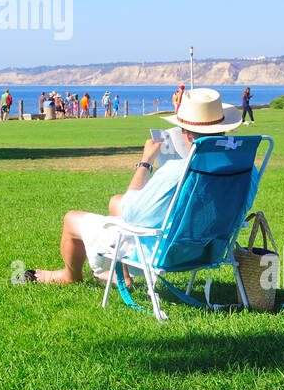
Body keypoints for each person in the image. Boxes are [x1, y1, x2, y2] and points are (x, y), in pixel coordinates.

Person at [29, 89, 243, 284]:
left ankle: (70, 276)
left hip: (162, 252)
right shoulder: (240, 171)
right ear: (223, 130)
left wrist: (146, 161)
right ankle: (123, 276)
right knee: (116, 202)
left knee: (71, 219)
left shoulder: (177, 170)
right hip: (209, 248)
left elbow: (133, 213)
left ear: (185, 134)